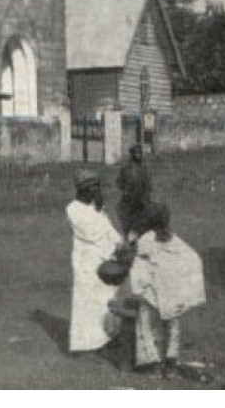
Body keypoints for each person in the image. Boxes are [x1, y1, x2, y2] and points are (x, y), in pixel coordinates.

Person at [129, 202, 206, 377]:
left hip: (154, 290)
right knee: (173, 324)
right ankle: (171, 363)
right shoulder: (174, 239)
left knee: (146, 322)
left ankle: (153, 363)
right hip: (172, 292)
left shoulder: (146, 239)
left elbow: (137, 257)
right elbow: (192, 257)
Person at [66, 170, 122, 354]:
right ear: (83, 190)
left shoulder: (96, 207)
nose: (96, 192)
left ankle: (105, 339)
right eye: (92, 188)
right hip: (86, 262)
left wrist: (119, 242)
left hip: (103, 259)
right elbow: (91, 233)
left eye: (97, 187)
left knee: (105, 299)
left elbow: (108, 229)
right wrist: (99, 213)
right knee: (87, 302)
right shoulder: (73, 209)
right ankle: (86, 344)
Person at [118, 144, 153, 239]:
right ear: (132, 154)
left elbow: (148, 184)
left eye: (140, 153)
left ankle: (139, 238)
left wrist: (147, 198)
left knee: (141, 221)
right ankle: (128, 239)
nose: (138, 155)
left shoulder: (144, 168)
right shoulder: (126, 168)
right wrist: (124, 189)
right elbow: (120, 182)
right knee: (129, 221)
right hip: (129, 199)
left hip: (142, 199)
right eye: (136, 153)